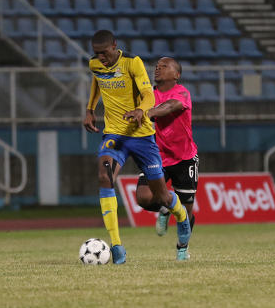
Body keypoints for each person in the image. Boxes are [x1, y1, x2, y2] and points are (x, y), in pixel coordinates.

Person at [83, 30, 191, 263]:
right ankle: (117, 246)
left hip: (142, 136)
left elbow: (147, 94)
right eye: (97, 54)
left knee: (162, 196)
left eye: (105, 53)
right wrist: (90, 109)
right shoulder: (95, 64)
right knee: (104, 176)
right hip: (114, 134)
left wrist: (142, 110)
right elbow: (97, 81)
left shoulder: (132, 62)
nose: (101, 58)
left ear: (115, 46)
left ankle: (181, 216)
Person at [135, 57, 198, 257]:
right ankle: (165, 206)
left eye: (164, 66)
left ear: (176, 75)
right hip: (158, 155)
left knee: (186, 214)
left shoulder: (182, 92)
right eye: (157, 66)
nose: (158, 68)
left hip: (184, 158)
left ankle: (182, 249)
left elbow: (170, 106)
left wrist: (147, 112)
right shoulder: (149, 95)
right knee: (143, 197)